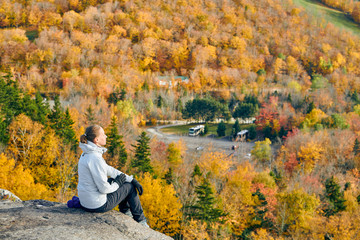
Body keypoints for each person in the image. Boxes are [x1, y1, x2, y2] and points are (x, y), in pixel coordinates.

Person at [77, 125, 148, 227]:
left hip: (86, 202)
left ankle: (127, 214)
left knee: (120, 181)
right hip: (96, 205)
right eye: (103, 134)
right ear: (96, 139)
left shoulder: (87, 153)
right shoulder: (95, 158)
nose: (105, 136)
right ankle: (141, 221)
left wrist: (131, 179)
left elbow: (109, 170)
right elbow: (103, 189)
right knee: (129, 187)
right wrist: (118, 184)